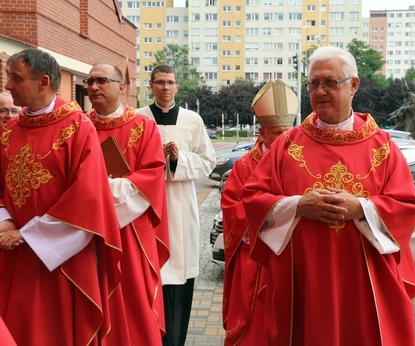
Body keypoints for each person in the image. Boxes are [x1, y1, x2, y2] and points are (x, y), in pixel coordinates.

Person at [241, 46, 415, 345]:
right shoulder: (286, 146)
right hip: (304, 282)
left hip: (365, 287)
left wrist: (362, 208)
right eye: (313, 84)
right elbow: (252, 198)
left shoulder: (383, 147)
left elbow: (407, 205)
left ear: (353, 85)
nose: (320, 91)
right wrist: (299, 205)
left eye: (329, 82)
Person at [0, 48, 125, 345]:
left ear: (43, 82)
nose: (7, 86)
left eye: (15, 78)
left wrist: (28, 235)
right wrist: (5, 224)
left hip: (60, 261)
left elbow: (88, 198)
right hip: (12, 252)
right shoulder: (9, 130)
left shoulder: (77, 127)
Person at [85, 62, 170, 345]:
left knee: (134, 303)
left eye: (101, 80)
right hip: (87, 233)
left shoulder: (143, 126)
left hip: (130, 234)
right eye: (89, 81)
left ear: (121, 87)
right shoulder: (79, 126)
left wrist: (96, 190)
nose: (93, 87)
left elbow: (151, 178)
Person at [137, 64, 217, 346]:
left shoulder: (192, 121)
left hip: (180, 209)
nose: (165, 88)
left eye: (170, 82)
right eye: (159, 82)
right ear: (151, 86)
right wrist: (155, 159)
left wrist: (175, 160)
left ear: (177, 86)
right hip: (145, 208)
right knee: (148, 279)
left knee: (178, 278)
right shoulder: (138, 120)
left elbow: (208, 162)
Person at [221, 80, 298, 345]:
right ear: (262, 132)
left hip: (290, 252)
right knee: (254, 321)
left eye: (288, 131)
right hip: (254, 254)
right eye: (277, 132)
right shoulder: (245, 165)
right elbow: (233, 207)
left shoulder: (298, 162)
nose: (284, 138)